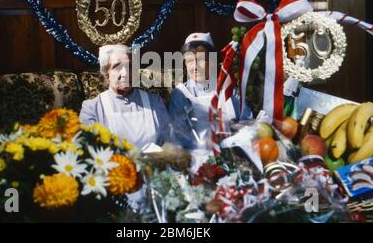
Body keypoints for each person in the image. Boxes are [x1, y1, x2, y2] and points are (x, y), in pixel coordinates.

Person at [169, 32, 253, 173]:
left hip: (233, 160)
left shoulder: (228, 88)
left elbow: (248, 123)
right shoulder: (180, 93)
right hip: (196, 166)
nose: (195, 66)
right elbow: (176, 139)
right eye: (190, 60)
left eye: (201, 59)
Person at [79, 44, 170, 152]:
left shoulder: (155, 102)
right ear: (106, 75)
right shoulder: (91, 108)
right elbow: (88, 149)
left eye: (130, 66)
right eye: (116, 67)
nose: (125, 73)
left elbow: (169, 141)